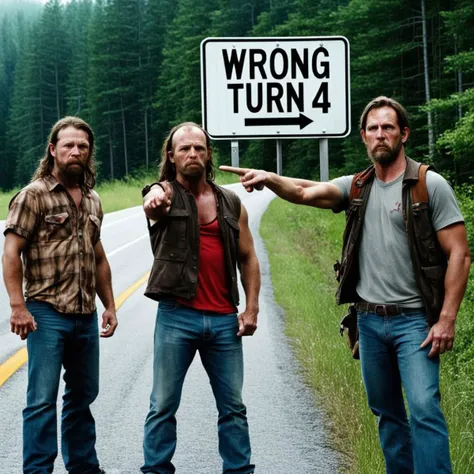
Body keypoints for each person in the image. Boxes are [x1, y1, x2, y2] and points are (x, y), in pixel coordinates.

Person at [220, 96, 471, 474]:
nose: (380, 135)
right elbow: (305, 193)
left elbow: (460, 255)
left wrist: (446, 319)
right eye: (373, 129)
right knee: (387, 414)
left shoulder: (428, 185)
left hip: (415, 323)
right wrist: (270, 178)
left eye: (388, 127)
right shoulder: (357, 186)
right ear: (364, 138)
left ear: (404, 134)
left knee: (423, 410)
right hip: (369, 323)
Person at [140, 122, 260, 474]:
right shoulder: (163, 195)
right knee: (162, 404)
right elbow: (153, 204)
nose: (192, 154)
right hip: (177, 316)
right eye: (184, 149)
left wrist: (251, 308)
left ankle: (238, 470)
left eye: (199, 148)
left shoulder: (231, 201)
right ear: (172, 156)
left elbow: (248, 257)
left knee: (233, 407)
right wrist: (154, 198)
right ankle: (156, 469)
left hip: (225, 319)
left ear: (208, 154)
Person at [2, 116, 118, 474]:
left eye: (82, 146)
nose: (75, 151)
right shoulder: (33, 196)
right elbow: (10, 252)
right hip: (46, 314)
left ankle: (83, 466)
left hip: (85, 316)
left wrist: (110, 305)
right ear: (53, 150)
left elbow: (98, 257)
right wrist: (18, 307)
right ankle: (38, 470)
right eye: (68, 145)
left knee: (82, 398)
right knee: (41, 401)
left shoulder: (94, 200)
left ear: (89, 152)